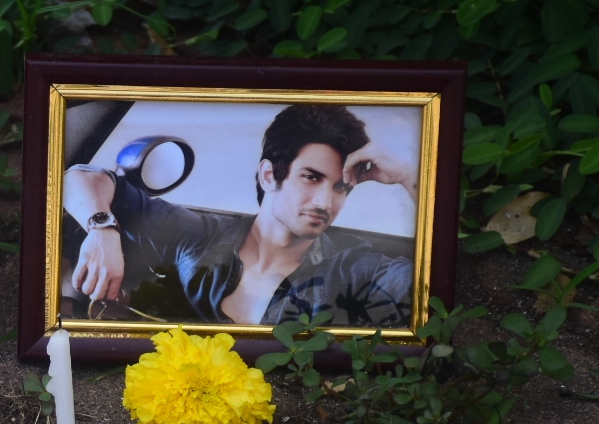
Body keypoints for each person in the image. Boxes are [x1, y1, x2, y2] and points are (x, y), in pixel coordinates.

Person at [63, 103, 418, 328]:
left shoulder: (356, 269)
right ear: (269, 175)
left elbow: (432, 294)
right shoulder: (199, 236)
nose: (325, 201)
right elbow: (76, 177)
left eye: (341, 187)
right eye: (311, 177)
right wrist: (102, 230)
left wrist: (408, 175)